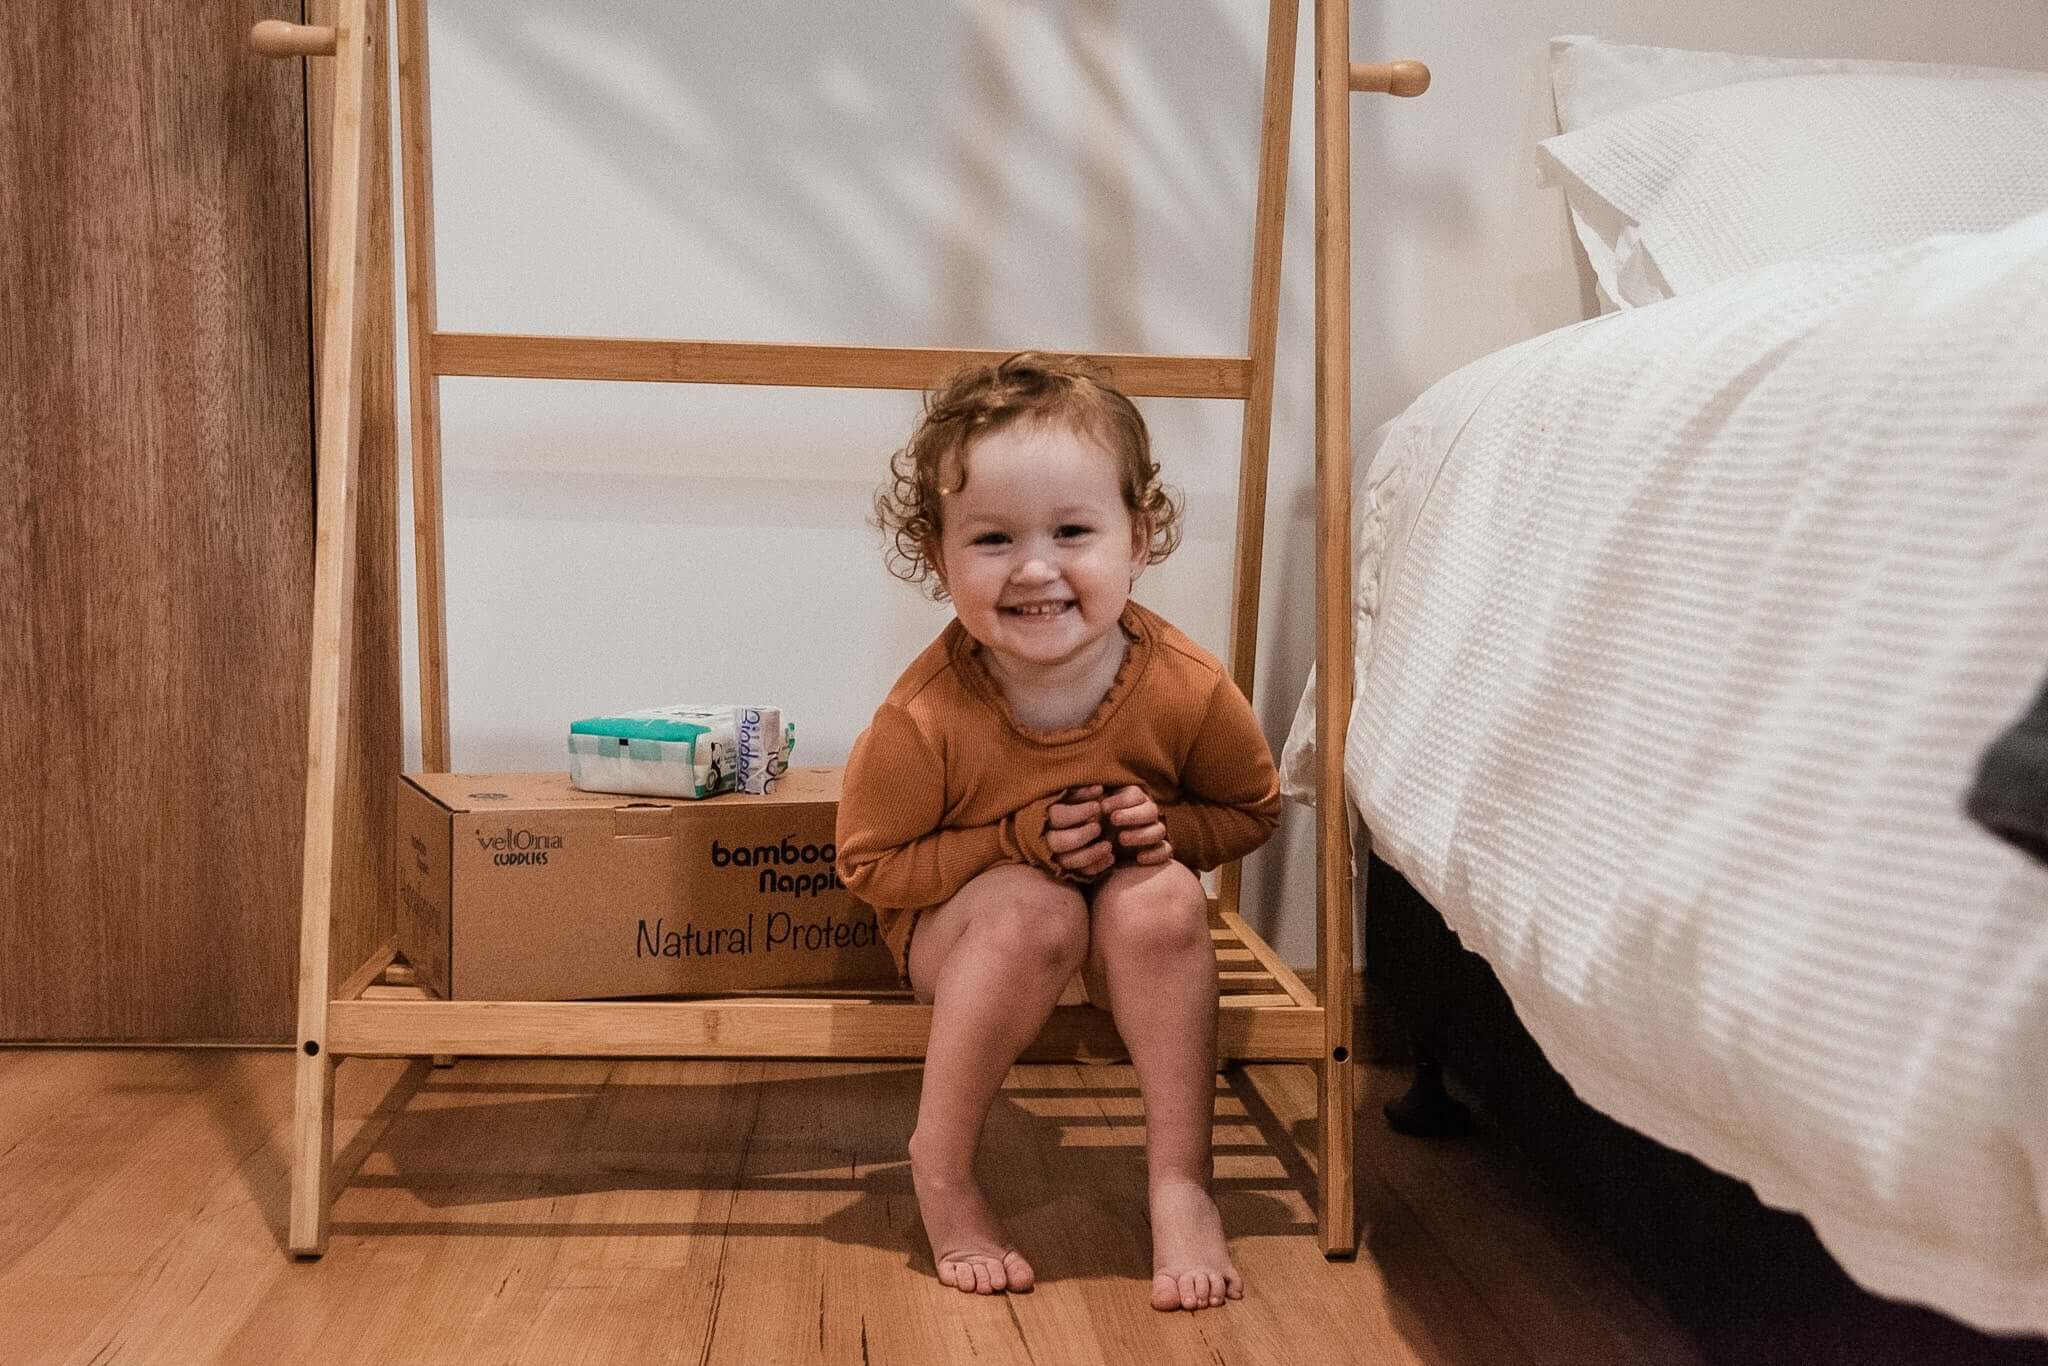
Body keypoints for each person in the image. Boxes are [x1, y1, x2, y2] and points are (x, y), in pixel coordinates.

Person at [835, 352, 1281, 1312]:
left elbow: (1253, 809)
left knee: (1163, 899)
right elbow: (869, 864)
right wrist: (1010, 843)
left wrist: (1165, 826)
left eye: (1074, 531)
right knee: (1035, 911)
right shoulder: (925, 716)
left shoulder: (1185, 686)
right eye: (993, 538)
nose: (1037, 568)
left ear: (1139, 535)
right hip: (970, 934)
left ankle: (1180, 1183)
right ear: (937, 550)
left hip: (1121, 927)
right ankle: (943, 1167)